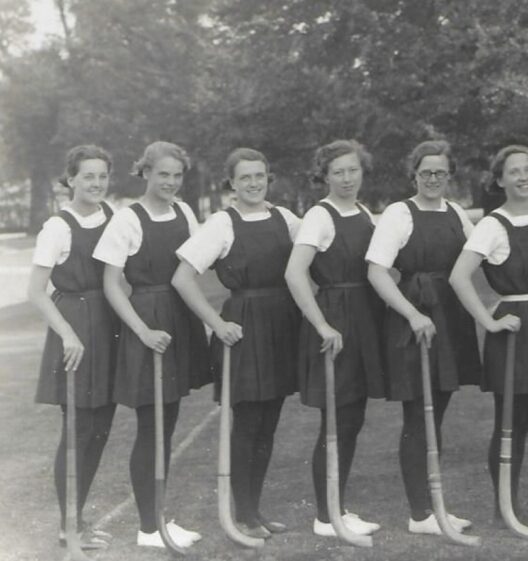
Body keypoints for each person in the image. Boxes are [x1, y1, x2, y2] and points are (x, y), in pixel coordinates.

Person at [172, 148, 301, 537]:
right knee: (248, 420)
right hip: (242, 326)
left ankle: (254, 511)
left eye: (259, 176)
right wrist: (216, 324)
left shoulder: (286, 219)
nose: (253, 183)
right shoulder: (220, 224)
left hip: (282, 323)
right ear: (232, 182)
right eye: (245, 177)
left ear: (268, 177)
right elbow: (181, 278)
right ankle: (243, 515)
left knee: (270, 422)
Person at [93, 141, 210, 548]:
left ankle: (158, 518)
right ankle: (148, 528)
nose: (171, 183)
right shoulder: (127, 220)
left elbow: (197, 264)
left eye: (177, 176)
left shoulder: (185, 212)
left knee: (168, 422)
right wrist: (143, 332)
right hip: (147, 323)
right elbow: (111, 284)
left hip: (179, 320)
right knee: (152, 427)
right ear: (144, 172)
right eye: (163, 174)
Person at [365, 139, 480, 535]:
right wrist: (413, 314)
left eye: (440, 173)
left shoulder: (457, 213)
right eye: (426, 172)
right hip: (412, 319)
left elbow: (480, 256)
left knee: (438, 413)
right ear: (413, 174)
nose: (433, 179)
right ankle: (420, 514)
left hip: (450, 318)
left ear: (449, 176)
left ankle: (434, 508)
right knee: (419, 416)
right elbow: (377, 272)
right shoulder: (399, 213)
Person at [449, 145, 528, 526]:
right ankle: (504, 507)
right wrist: (489, 320)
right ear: (500, 180)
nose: (523, 177)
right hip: (514, 328)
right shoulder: (492, 225)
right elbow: (459, 277)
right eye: (514, 172)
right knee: (509, 422)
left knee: (526, 419)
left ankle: (509, 502)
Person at [284, 140, 385, 537]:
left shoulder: (362, 212)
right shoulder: (319, 216)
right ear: (324, 176)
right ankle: (326, 517)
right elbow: (295, 273)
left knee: (352, 418)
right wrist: (322, 324)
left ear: (363, 172)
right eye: (338, 172)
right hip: (336, 321)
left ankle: (337, 507)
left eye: (353, 170)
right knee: (337, 420)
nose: (347, 178)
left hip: (364, 317)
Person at [29, 145, 118, 550]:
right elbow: (35, 291)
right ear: (70, 180)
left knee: (101, 428)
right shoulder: (58, 227)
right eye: (88, 176)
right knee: (78, 429)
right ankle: (69, 525)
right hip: (76, 328)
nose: (96, 183)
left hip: (109, 325)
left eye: (102, 176)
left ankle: (77, 519)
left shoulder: (115, 218)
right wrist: (67, 333)